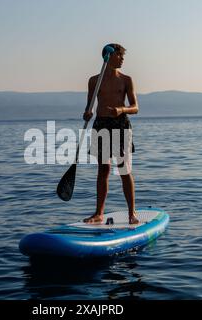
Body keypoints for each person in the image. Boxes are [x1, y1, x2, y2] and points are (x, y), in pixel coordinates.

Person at [82, 44, 139, 225]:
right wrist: (87, 113)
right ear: (109, 57)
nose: (122, 59)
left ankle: (132, 213)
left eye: (122, 56)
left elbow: (135, 107)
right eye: (119, 56)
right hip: (101, 124)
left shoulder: (126, 80)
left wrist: (121, 109)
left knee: (124, 169)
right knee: (103, 169)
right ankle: (99, 213)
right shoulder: (94, 80)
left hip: (120, 123)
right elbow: (89, 105)